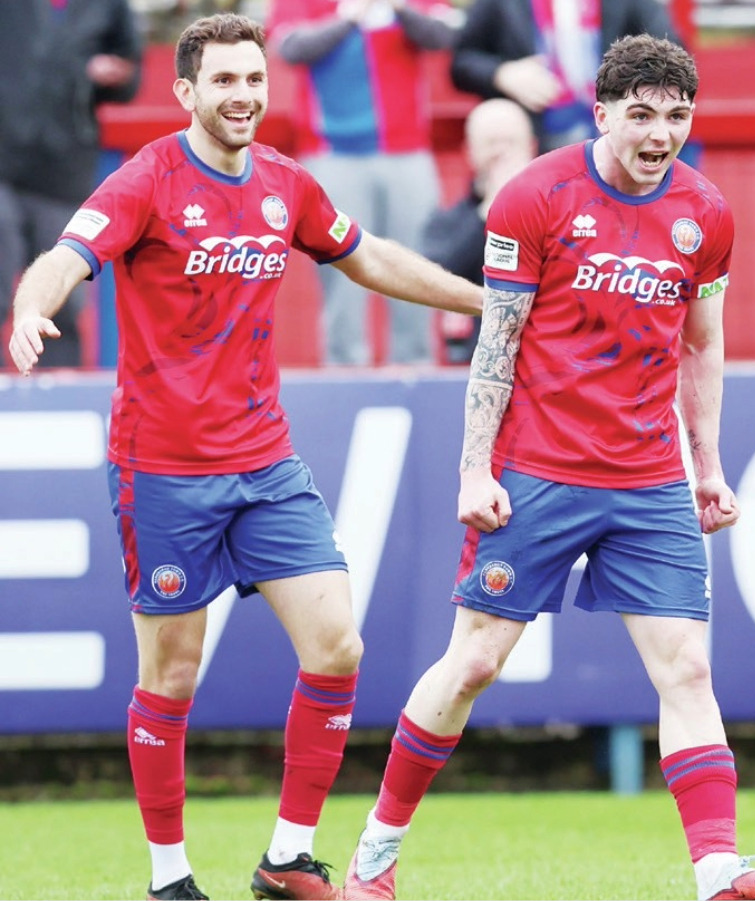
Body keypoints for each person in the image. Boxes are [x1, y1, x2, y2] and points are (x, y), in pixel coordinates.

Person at [5, 13, 483, 901]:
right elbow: (66, 256)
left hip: (265, 465)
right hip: (165, 471)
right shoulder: (145, 179)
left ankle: (288, 856)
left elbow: (367, 255)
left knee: (338, 645)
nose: (243, 97)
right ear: (186, 92)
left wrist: (484, 303)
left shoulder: (285, 182)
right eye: (223, 82)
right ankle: (168, 877)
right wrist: (33, 307)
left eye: (254, 81)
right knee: (172, 673)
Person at [337, 34, 755, 901]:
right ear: (601, 113)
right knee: (474, 663)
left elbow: (701, 348)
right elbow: (498, 340)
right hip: (538, 471)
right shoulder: (535, 196)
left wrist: (705, 464)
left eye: (676, 116)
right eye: (640, 115)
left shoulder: (706, 212)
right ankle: (375, 854)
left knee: (688, 668)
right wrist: (474, 469)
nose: (659, 133)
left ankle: (718, 871)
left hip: (648, 478)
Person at [268, 0, 460, 366]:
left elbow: (446, 36)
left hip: (408, 151)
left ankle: (415, 372)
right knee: (343, 276)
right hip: (332, 154)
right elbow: (290, 49)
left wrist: (400, 9)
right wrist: (347, 18)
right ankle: (345, 376)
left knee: (415, 267)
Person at [0, 0, 143, 370]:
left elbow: (130, 76)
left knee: (60, 302)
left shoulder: (109, 6)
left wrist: (108, 75)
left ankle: (54, 397)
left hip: (64, 171)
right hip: (4, 162)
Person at [449, 0, 681, 150]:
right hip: (534, 129)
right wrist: (503, 74)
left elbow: (671, 54)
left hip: (615, 128)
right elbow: (462, 62)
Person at [419, 97, 538, 364]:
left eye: (511, 142)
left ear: (532, 148)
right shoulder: (449, 221)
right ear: (469, 152)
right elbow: (437, 278)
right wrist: (491, 210)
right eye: (490, 143)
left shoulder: (561, 212)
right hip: (473, 363)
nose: (501, 153)